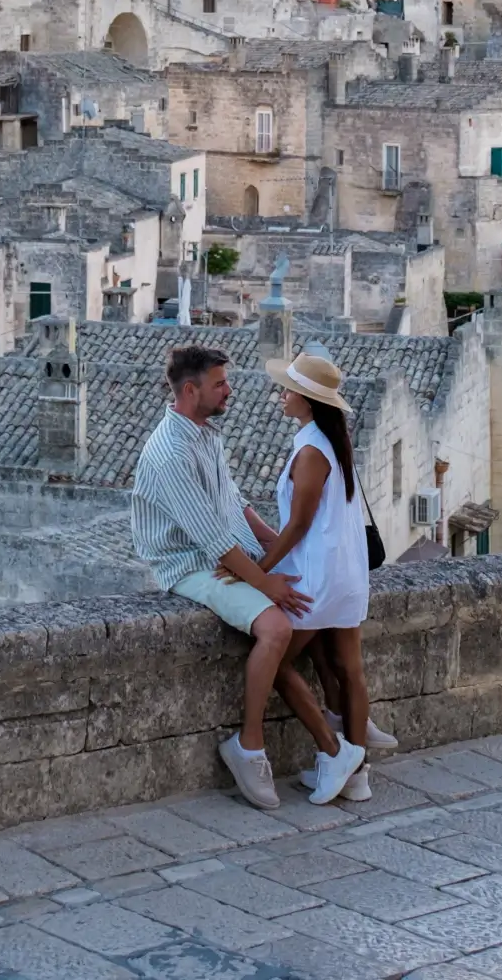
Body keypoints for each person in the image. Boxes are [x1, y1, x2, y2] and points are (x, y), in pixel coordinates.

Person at [132, 346, 367, 809]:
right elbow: (211, 539)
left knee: (309, 617)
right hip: (189, 563)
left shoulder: (206, 435)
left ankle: (343, 747)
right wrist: (266, 581)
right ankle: (252, 745)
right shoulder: (170, 453)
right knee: (278, 625)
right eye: (221, 383)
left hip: (225, 555)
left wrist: (268, 548)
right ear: (189, 390)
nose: (230, 390)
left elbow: (235, 504)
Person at [250, 352, 386, 800]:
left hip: (316, 578)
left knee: (281, 664)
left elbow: (299, 525)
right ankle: (358, 774)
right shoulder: (332, 444)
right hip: (346, 575)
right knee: (349, 671)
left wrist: (258, 571)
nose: (282, 396)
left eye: (289, 390)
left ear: (308, 400)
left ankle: (336, 755)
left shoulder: (310, 451)